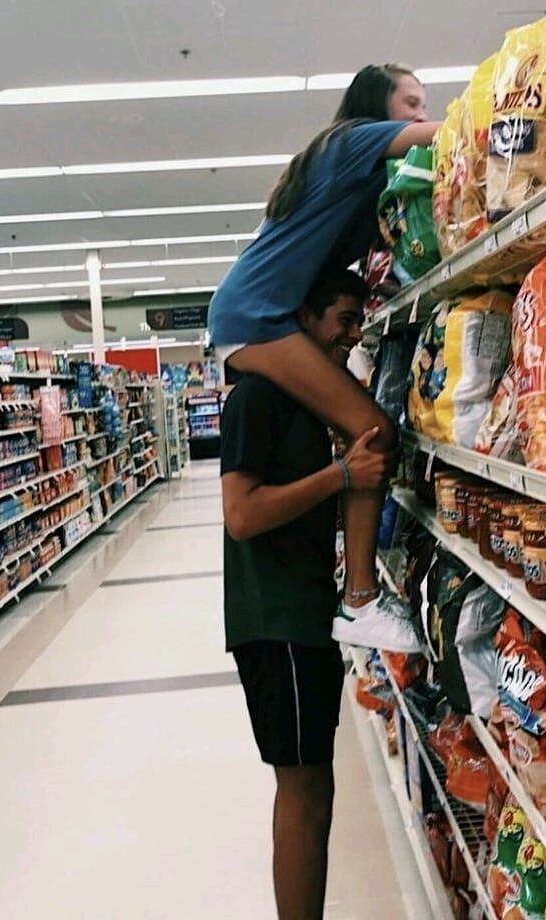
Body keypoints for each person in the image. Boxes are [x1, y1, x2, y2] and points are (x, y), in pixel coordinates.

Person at [209, 64, 442, 651]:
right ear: (376, 105)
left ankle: (349, 590)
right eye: (410, 102)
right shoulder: (352, 139)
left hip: (256, 313)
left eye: (422, 104)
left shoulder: (348, 174)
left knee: (352, 431)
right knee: (375, 430)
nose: (418, 113)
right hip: (255, 315)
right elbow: (444, 135)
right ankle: (359, 600)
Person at [221, 270, 399, 920]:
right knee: (302, 794)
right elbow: (240, 514)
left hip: (302, 617)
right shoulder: (258, 397)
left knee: (314, 789)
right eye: (345, 319)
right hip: (276, 624)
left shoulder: (306, 399)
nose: (354, 334)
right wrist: (341, 475)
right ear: (303, 318)